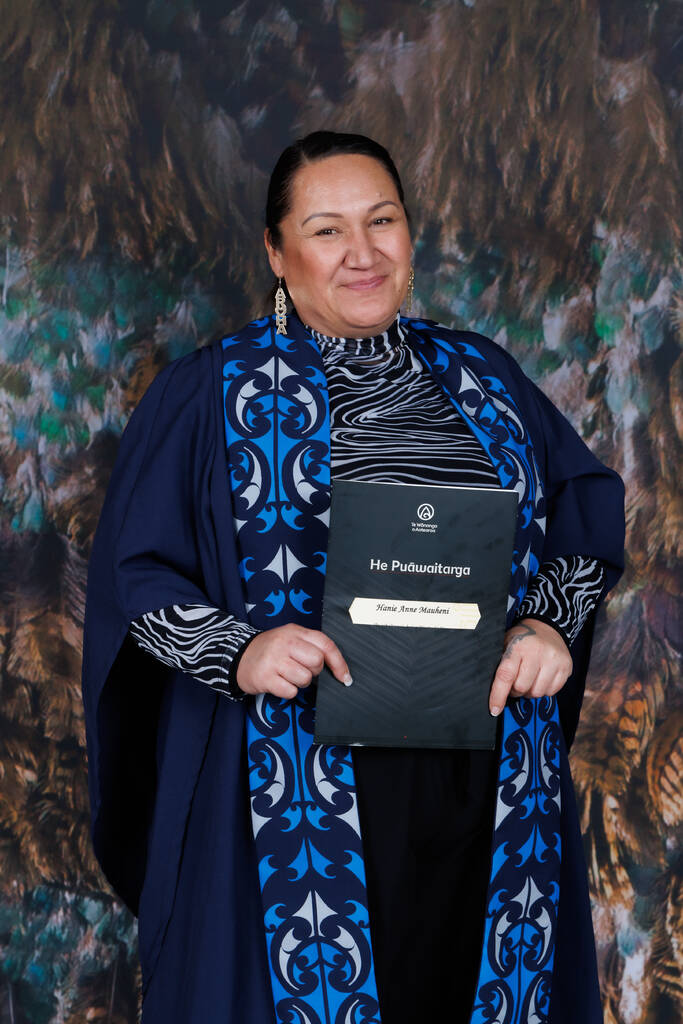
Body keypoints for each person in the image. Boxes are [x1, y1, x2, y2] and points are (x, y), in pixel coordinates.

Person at [82, 131, 625, 1024]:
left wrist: (548, 625)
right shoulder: (211, 392)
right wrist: (239, 649)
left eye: (382, 221)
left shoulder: (484, 376)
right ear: (277, 252)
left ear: (411, 232)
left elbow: (581, 513)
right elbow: (137, 570)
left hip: (487, 784)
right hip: (293, 785)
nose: (362, 253)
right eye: (327, 231)